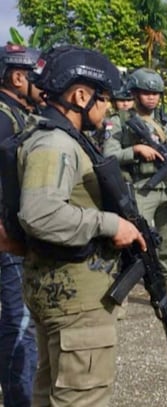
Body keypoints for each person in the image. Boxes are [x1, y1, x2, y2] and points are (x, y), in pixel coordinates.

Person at [10, 45, 144, 406]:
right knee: (80, 397)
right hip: (75, 301)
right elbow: (40, 213)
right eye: (103, 98)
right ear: (80, 95)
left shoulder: (59, 137)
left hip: (60, 292)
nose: (107, 107)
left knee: (52, 390)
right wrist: (110, 224)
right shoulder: (55, 144)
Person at [105, 68, 167, 312]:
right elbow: (108, 154)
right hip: (139, 188)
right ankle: (120, 298)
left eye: (156, 93)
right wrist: (134, 151)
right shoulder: (120, 122)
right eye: (146, 92)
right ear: (134, 93)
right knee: (133, 244)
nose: (152, 98)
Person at [0, 42, 41, 407]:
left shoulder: (16, 113)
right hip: (7, 238)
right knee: (20, 325)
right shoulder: (3, 117)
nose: (43, 83)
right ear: (17, 76)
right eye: (35, 75)